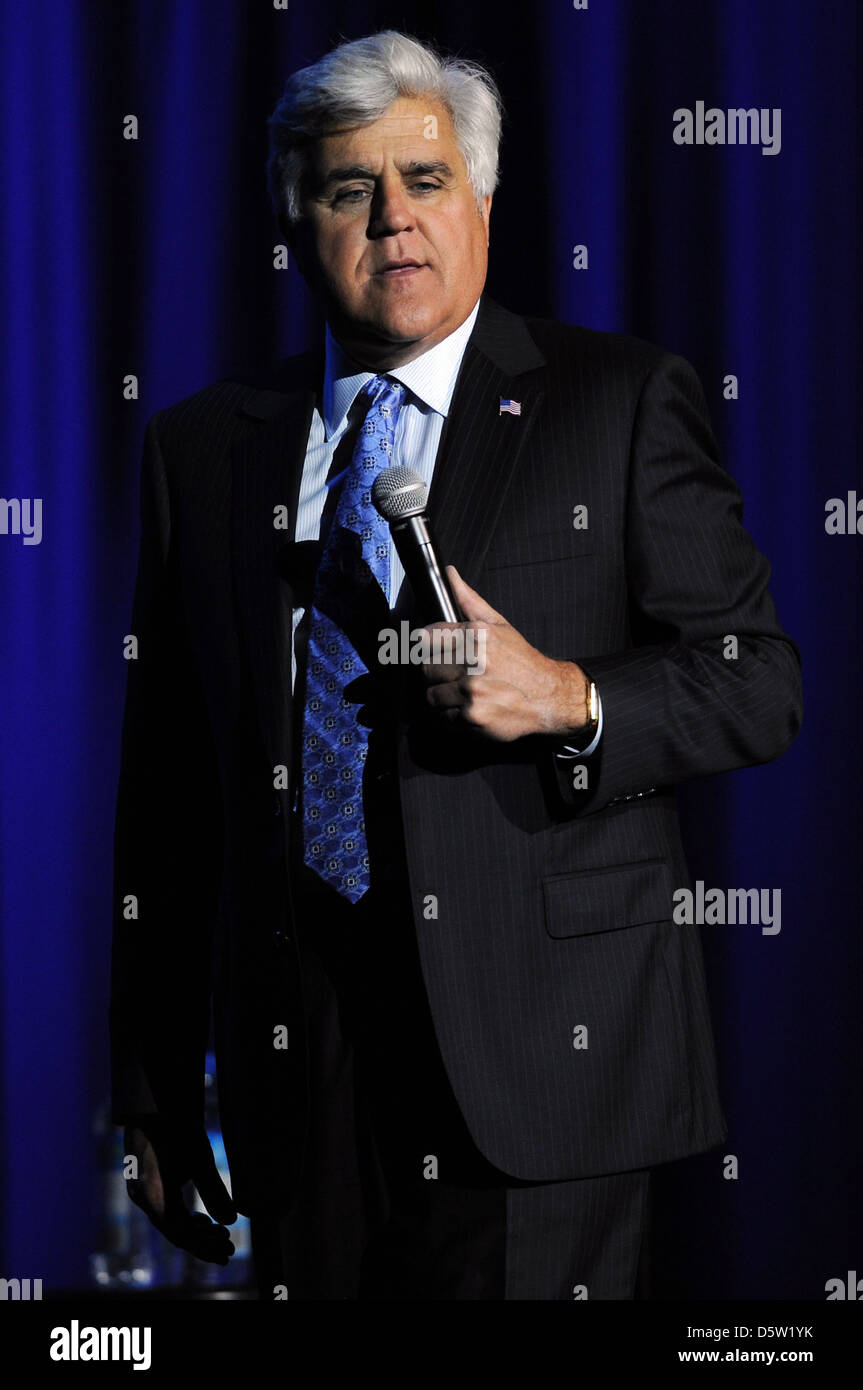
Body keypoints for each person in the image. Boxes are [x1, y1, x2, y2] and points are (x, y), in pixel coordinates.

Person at [109, 30, 802, 1301]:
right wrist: (152, 1095)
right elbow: (164, 796)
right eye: (347, 189)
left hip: (545, 1062)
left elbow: (757, 679)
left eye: (425, 181)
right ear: (294, 212)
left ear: (479, 197)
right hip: (297, 1075)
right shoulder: (202, 449)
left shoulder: (617, 399)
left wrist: (573, 699)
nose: (393, 221)